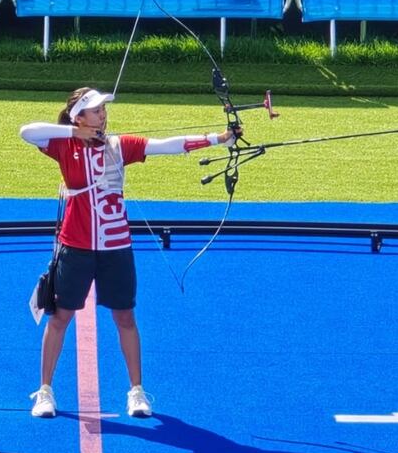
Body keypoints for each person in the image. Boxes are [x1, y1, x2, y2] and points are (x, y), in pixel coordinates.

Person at [18, 88, 239, 419]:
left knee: (125, 317)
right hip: (76, 245)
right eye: (95, 110)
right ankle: (45, 391)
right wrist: (74, 132)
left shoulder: (119, 146)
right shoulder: (64, 145)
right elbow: (27, 132)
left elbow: (168, 145)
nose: (103, 114)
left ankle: (136, 392)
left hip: (116, 245)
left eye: (103, 109)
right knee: (61, 316)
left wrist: (220, 138)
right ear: (79, 116)